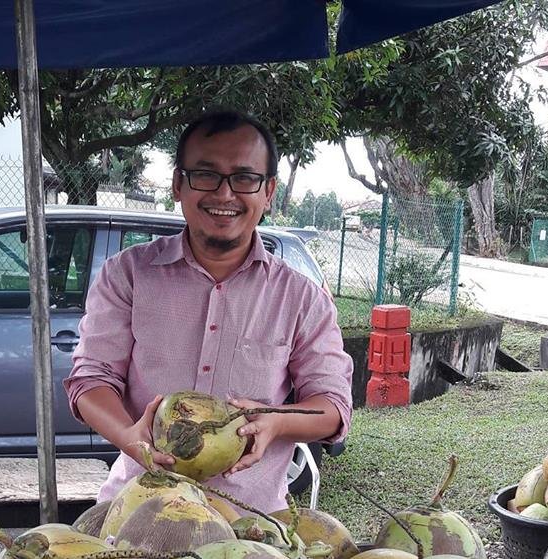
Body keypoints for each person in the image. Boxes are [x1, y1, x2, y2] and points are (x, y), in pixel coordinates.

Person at [64, 109, 353, 511]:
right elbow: (90, 381)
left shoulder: (302, 297)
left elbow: (333, 407)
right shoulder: (128, 275)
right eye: (206, 175)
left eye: (244, 178)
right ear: (178, 184)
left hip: (250, 523)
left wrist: (277, 420)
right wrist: (134, 439)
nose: (224, 194)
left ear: (268, 191)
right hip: (136, 509)